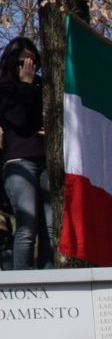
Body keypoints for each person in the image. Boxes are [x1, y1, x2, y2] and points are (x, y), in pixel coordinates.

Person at [0, 37, 51, 270]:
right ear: (12, 62)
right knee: (27, 226)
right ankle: (23, 279)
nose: (28, 68)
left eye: (32, 62)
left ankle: (51, 277)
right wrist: (26, 86)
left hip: (46, 160)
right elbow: (18, 119)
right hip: (19, 160)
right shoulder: (6, 89)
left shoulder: (43, 86)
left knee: (50, 227)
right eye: (22, 63)